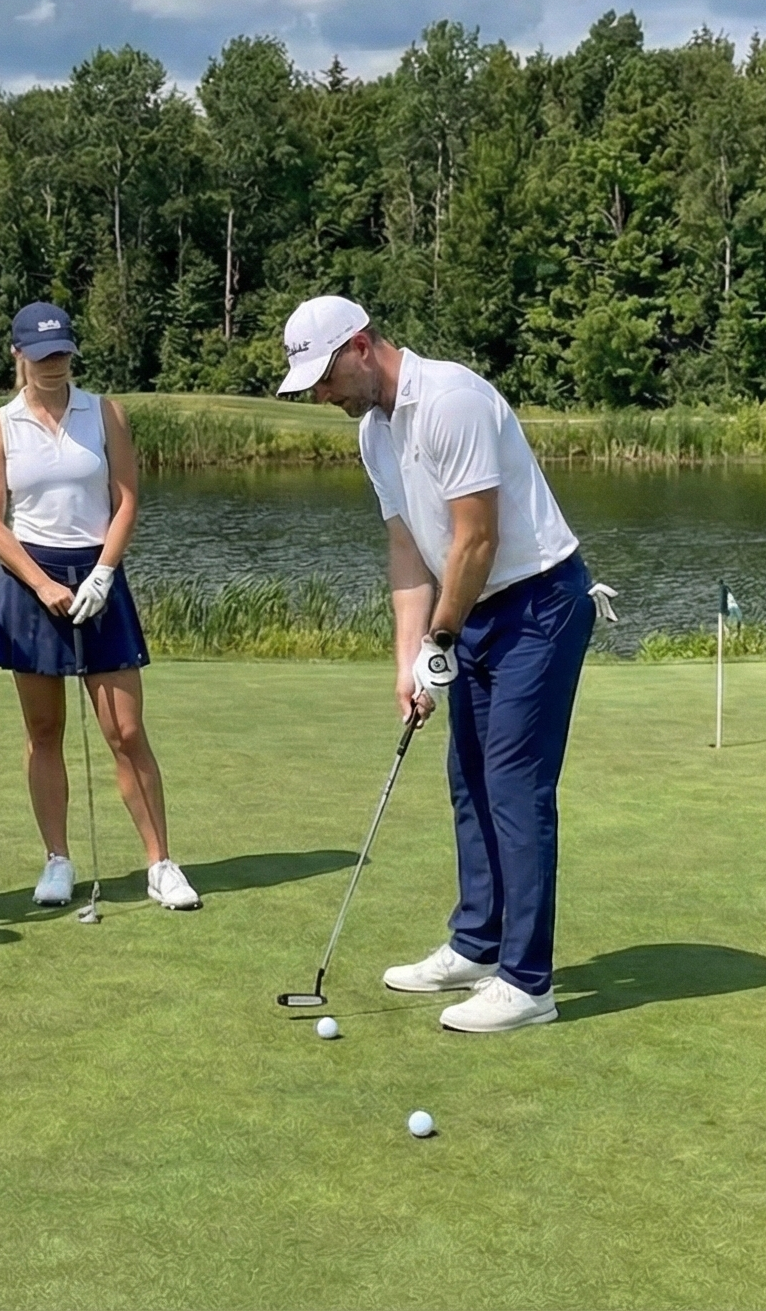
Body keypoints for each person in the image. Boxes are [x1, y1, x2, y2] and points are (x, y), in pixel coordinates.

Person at [279, 295, 601, 1034]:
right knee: (470, 781)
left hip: (539, 604)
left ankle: (528, 984)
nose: (324, 396)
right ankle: (477, 943)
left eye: (327, 377)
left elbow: (476, 540)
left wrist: (439, 642)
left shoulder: (451, 398)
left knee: (517, 788)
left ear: (362, 347)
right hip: (477, 611)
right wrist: (409, 659)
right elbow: (407, 549)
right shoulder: (374, 433)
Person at [0, 302, 199, 911]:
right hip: (30, 579)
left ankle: (161, 863)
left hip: (100, 572)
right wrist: (41, 584)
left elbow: (126, 500)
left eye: (63, 353)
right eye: (42, 355)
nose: (55, 365)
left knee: (125, 730)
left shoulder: (105, 413)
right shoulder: (0, 426)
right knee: (43, 730)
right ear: (18, 355)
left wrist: (104, 571)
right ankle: (57, 861)